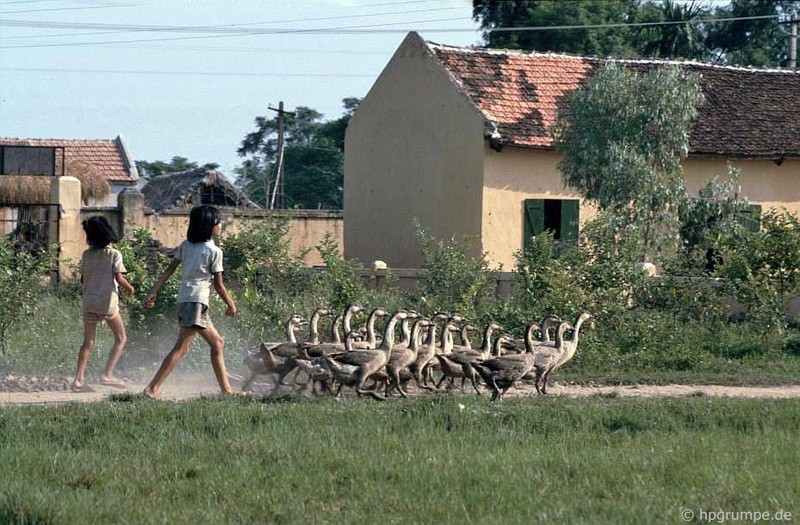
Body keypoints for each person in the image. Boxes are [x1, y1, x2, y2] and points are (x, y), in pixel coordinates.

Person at [143, 205, 237, 399]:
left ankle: (227, 391)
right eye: (217, 222)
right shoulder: (214, 251)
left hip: (187, 299)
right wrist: (230, 304)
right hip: (197, 301)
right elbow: (219, 285)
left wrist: (154, 291)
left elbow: (169, 269)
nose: (220, 225)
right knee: (182, 348)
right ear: (209, 225)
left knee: (217, 343)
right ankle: (151, 390)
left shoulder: (186, 246)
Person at [73, 216, 135, 391]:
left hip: (89, 303)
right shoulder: (114, 254)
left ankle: (78, 379)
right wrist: (129, 288)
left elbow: (83, 279)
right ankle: (107, 374)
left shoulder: (86, 254)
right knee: (121, 338)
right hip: (108, 304)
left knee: (88, 341)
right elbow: (118, 277)